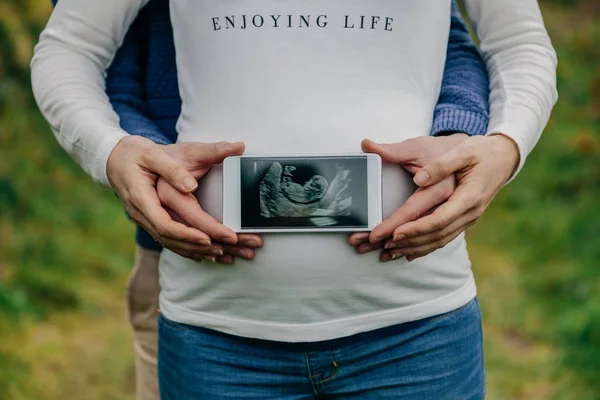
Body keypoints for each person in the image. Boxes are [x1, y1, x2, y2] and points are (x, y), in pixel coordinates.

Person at [31, 0, 557, 398]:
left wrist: (503, 147)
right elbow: (70, 48)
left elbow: (519, 44)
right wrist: (112, 151)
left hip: (418, 331)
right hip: (217, 334)